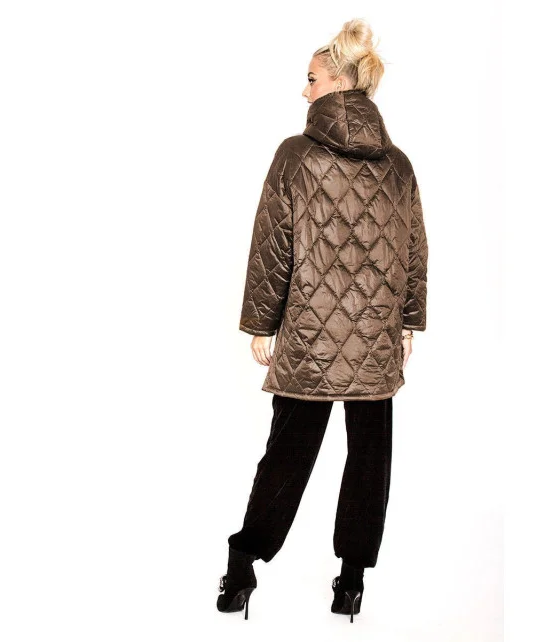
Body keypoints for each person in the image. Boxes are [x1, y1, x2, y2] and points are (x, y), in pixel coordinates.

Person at [217, 18, 429, 623]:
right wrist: (408, 321)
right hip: (377, 337)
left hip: (311, 335)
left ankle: (241, 570)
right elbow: (414, 247)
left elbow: (273, 244)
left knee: (286, 456)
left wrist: (262, 323)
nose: (303, 89)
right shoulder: (398, 164)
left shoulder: (295, 155)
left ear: (338, 82)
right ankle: (351, 584)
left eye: (311, 78)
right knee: (369, 462)